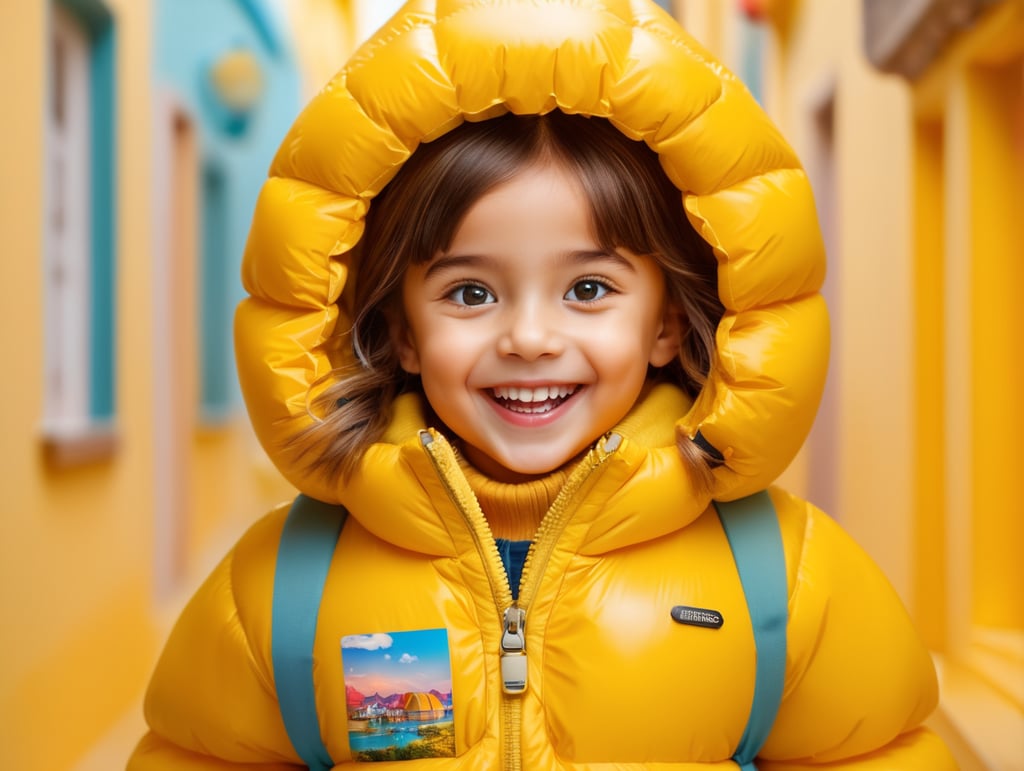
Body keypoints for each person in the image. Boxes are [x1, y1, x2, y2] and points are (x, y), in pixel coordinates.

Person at [128, 1, 957, 768]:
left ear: (666, 322)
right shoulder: (285, 587)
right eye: (471, 293)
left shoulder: (781, 577)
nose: (529, 337)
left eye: (589, 289)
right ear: (404, 334)